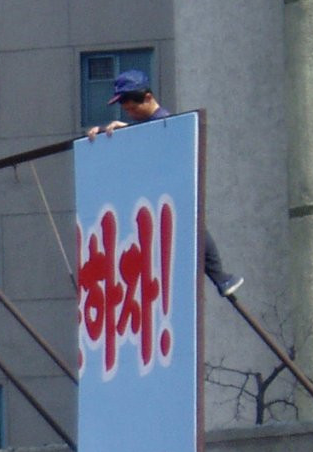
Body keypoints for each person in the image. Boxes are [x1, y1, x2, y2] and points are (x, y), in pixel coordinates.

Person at [84, 69, 242, 298]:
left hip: (167, 201)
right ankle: (219, 278)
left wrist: (126, 134)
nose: (130, 112)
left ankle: (220, 277)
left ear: (148, 98)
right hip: (150, 207)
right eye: (126, 109)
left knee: (191, 223)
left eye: (133, 107)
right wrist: (103, 139)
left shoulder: (165, 123)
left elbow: (156, 144)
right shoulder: (146, 127)